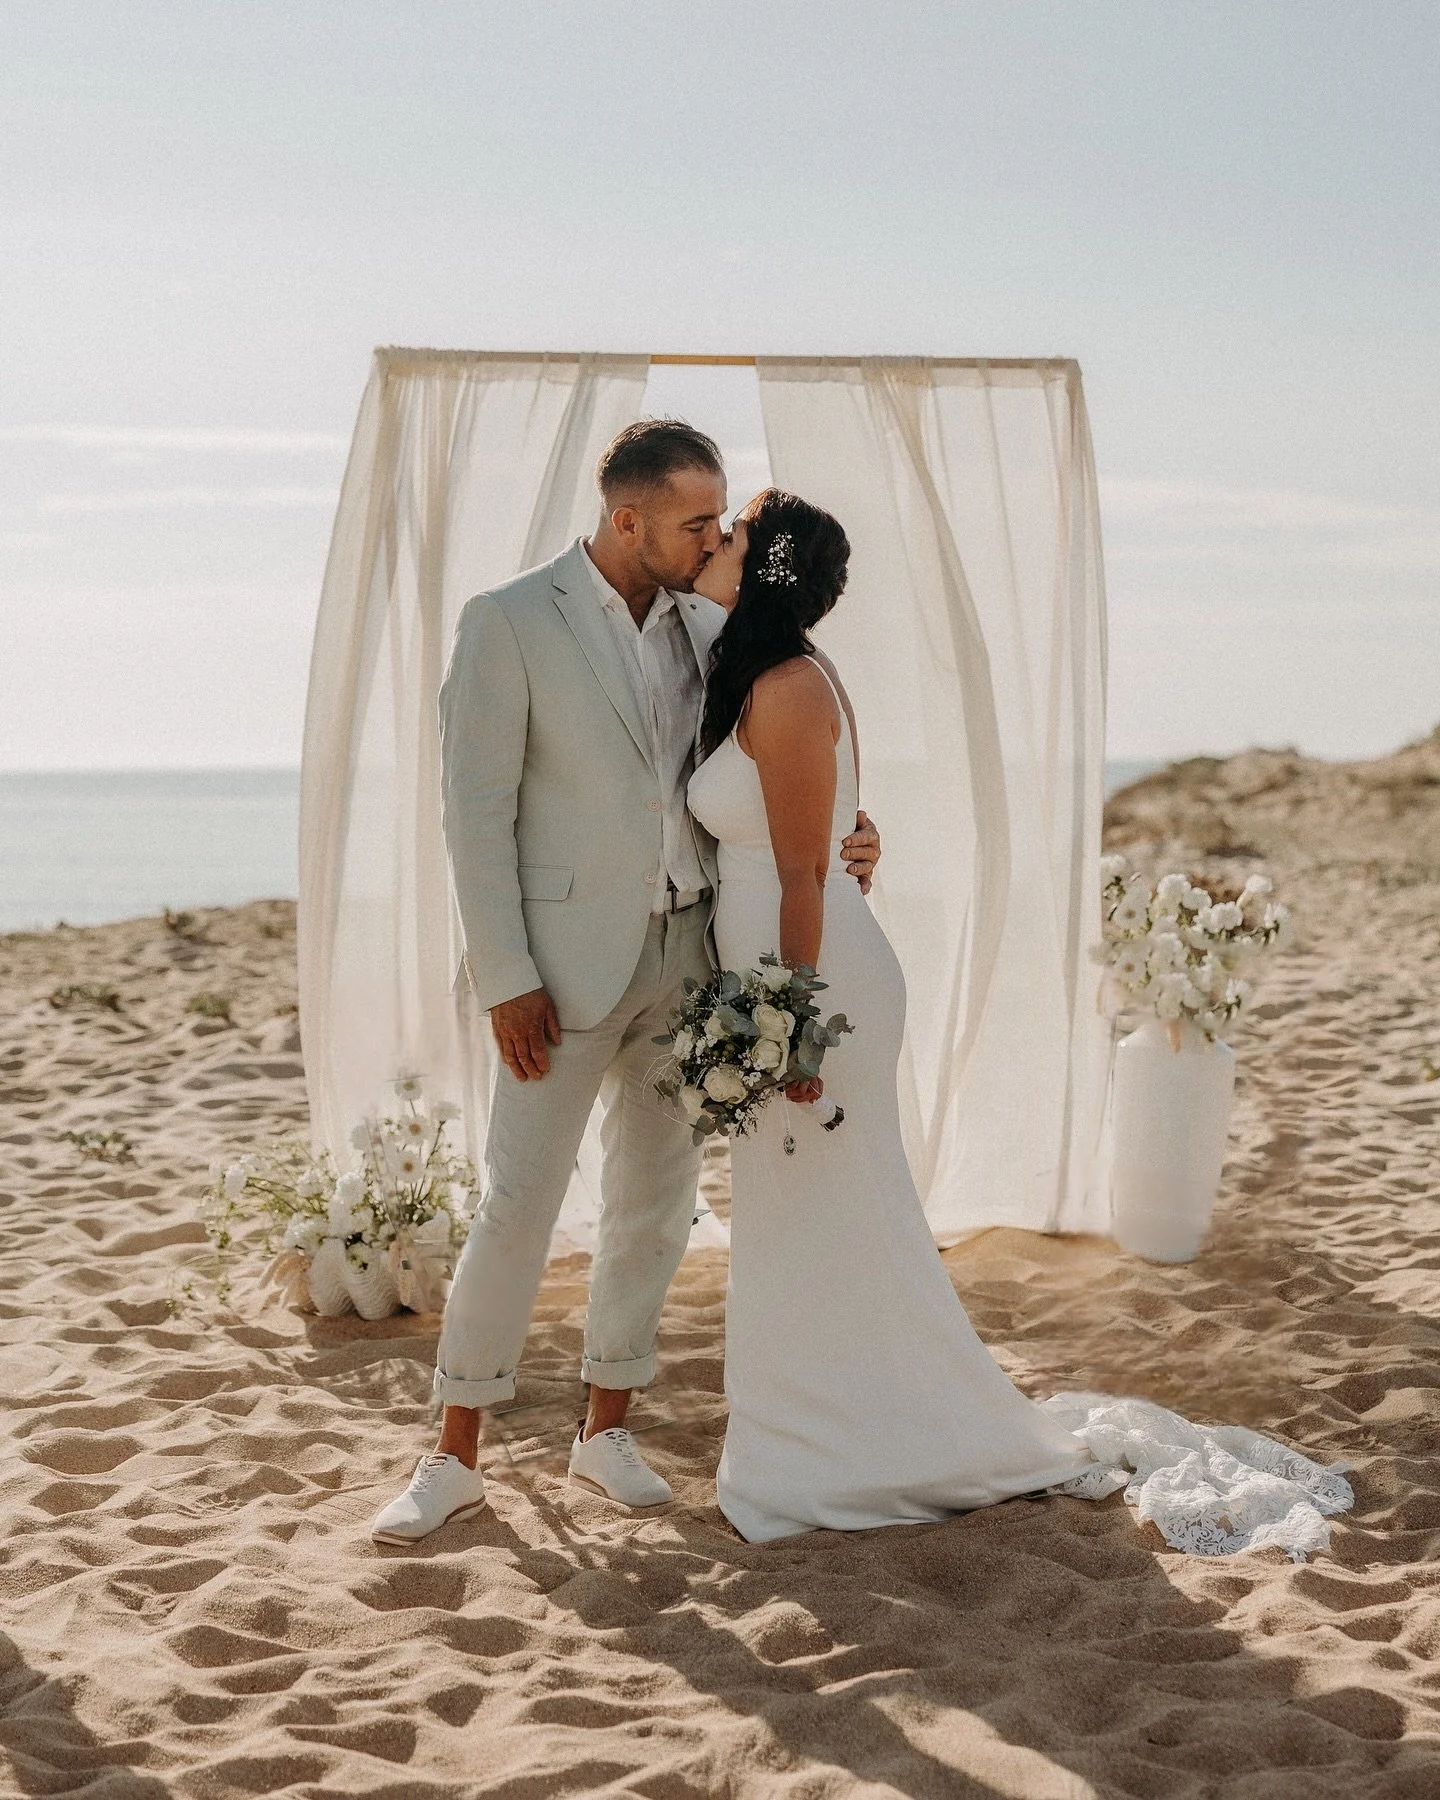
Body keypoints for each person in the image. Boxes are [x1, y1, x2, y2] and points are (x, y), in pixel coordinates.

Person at [686, 489, 1354, 1550]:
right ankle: (811, 1442)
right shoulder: (750, 674)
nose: (711, 544)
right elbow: (826, 831)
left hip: (813, 993)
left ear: (761, 569)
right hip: (781, 981)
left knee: (842, 1217)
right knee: (805, 1222)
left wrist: (790, 1022)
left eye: (727, 537)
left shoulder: (791, 684)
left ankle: (849, 1448)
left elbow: (809, 873)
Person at [371, 426, 880, 1545]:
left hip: (687, 961)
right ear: (627, 520)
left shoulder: (710, 627)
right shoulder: (507, 622)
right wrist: (507, 974)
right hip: (557, 973)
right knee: (518, 1207)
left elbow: (777, 760)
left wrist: (851, 834)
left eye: (721, 524)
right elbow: (475, 813)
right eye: (699, 522)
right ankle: (454, 1453)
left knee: (654, 1205)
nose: (715, 540)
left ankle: (605, 1432)